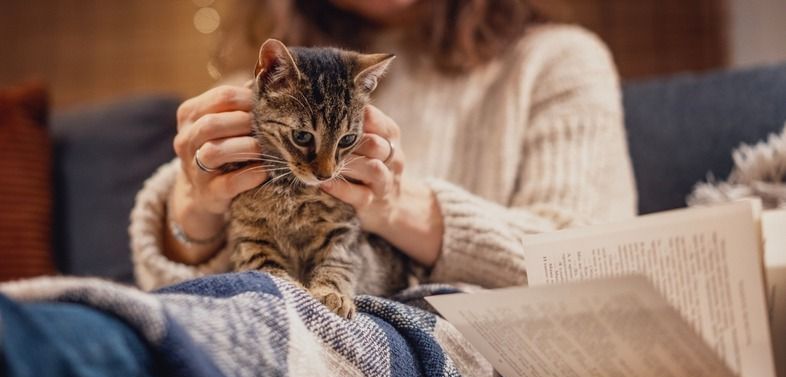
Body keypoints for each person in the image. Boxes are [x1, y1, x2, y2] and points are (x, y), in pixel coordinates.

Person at [131, 0, 636, 291]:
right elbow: (182, 309)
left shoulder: (558, 61)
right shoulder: (272, 83)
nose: (324, 166)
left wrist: (401, 209)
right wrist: (194, 212)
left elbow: (596, 265)